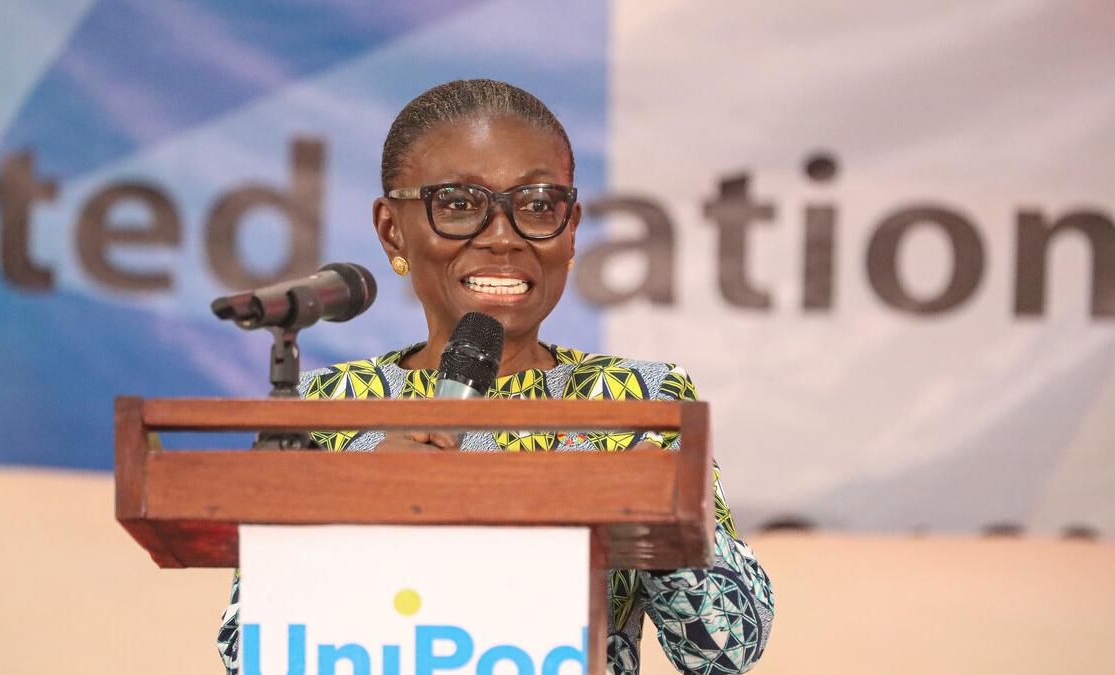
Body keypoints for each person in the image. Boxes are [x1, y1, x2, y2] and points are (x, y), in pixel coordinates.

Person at [217, 79, 774, 675]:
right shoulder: (325, 409)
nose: (504, 236)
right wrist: (356, 493)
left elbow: (723, 649)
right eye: (458, 203)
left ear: (571, 228)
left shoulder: (638, 403)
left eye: (537, 205)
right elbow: (246, 652)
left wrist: (630, 498)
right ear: (391, 230)